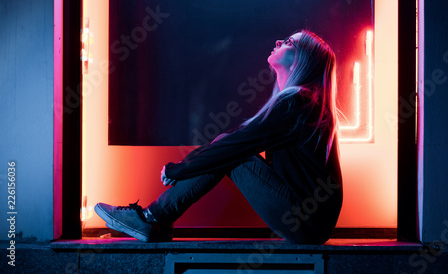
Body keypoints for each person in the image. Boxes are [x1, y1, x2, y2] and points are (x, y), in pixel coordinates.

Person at [95, 30, 343, 244]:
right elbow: (239, 139)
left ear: (303, 61)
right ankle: (157, 219)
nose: (279, 41)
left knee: (234, 153)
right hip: (310, 221)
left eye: (289, 42)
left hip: (306, 221)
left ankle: (152, 218)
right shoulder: (304, 102)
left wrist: (183, 168)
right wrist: (188, 164)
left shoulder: (299, 102)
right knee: (230, 147)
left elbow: (238, 143)